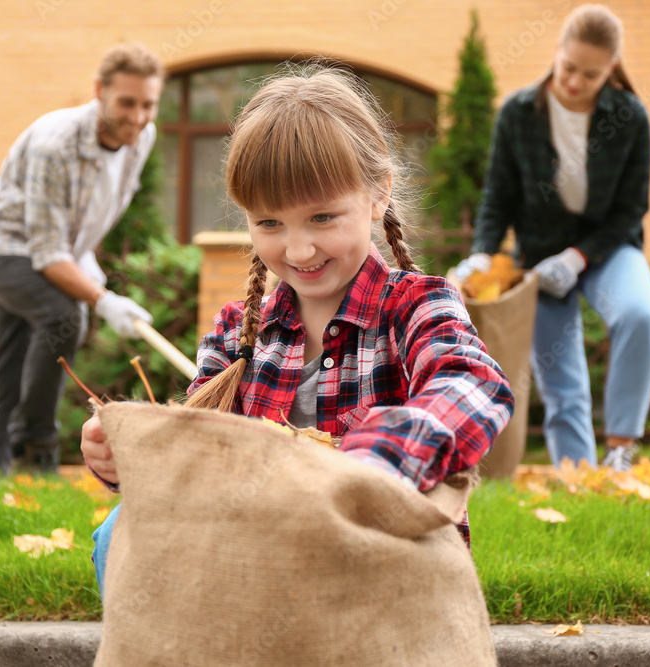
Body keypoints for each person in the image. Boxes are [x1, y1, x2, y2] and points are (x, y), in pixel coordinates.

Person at [81, 65, 515, 598]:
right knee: (117, 529)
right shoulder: (238, 333)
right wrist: (130, 459)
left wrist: (373, 465)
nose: (299, 250)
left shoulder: (416, 307)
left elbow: (473, 385)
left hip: (377, 571)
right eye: (269, 224)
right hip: (260, 570)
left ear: (379, 194)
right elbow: (198, 459)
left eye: (323, 218)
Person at [455, 4, 650, 472]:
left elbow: (632, 208)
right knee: (561, 374)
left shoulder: (630, 118)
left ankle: (621, 452)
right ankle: (579, 477)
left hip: (607, 248)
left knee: (641, 315)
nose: (573, 82)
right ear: (557, 53)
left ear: (610, 70)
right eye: (569, 68)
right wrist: (483, 256)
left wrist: (578, 257)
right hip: (537, 259)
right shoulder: (517, 114)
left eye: (589, 75)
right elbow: (497, 199)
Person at [0, 43, 162, 475]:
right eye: (126, 102)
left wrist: (88, 267)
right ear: (99, 90)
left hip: (47, 249)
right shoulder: (55, 143)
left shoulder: (142, 138)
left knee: (13, 358)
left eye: (147, 104)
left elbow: (81, 226)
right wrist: (102, 299)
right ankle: (38, 449)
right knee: (64, 315)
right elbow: (47, 254)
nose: (137, 116)